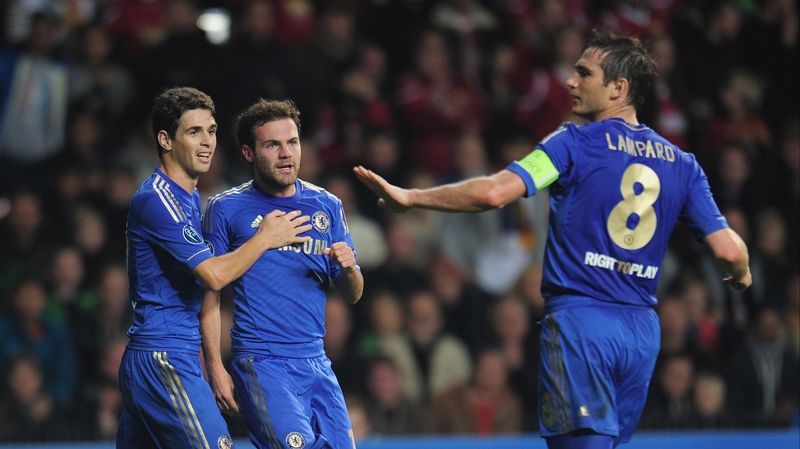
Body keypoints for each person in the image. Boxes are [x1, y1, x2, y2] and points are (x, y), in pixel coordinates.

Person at [355, 28, 752, 449]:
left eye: (584, 74)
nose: (570, 81)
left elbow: (494, 192)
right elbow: (728, 249)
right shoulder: (683, 163)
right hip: (640, 333)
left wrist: (412, 198)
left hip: (583, 324)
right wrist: (742, 276)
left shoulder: (571, 144)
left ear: (619, 88)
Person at [118, 87, 312, 449]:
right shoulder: (156, 200)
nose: (207, 141)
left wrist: (213, 364)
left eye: (211, 130)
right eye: (194, 132)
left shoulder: (187, 196)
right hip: (165, 358)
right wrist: (265, 237)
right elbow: (214, 275)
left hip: (163, 355)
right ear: (165, 139)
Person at [200, 98, 364, 449]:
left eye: (292, 142)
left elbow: (352, 293)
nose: (286, 153)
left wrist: (349, 268)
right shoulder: (225, 208)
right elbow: (208, 289)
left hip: (317, 360)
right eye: (272, 145)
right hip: (262, 362)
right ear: (248, 153)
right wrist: (215, 366)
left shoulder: (327, 205)